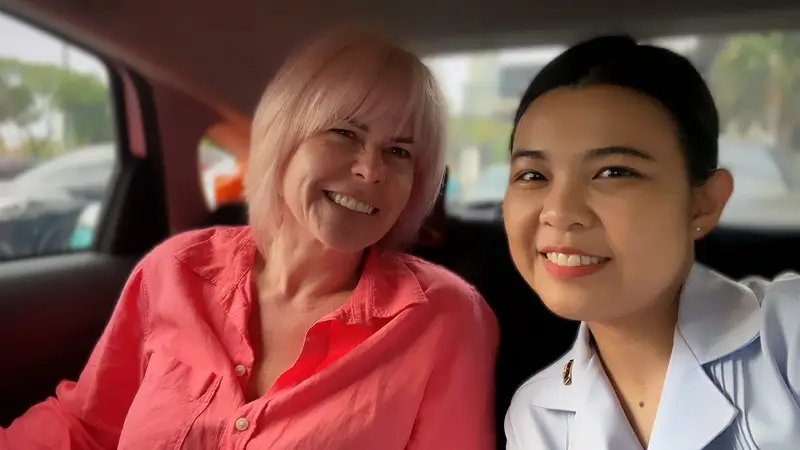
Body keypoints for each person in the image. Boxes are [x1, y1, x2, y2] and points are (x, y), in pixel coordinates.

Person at [0, 27, 499, 450]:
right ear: (284, 138)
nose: (370, 170)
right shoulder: (175, 269)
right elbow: (84, 427)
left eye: (399, 152)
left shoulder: (445, 318)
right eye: (345, 133)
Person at [502, 35, 799, 450]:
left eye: (613, 172)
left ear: (703, 203)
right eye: (533, 175)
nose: (559, 210)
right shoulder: (534, 417)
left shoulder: (788, 336)